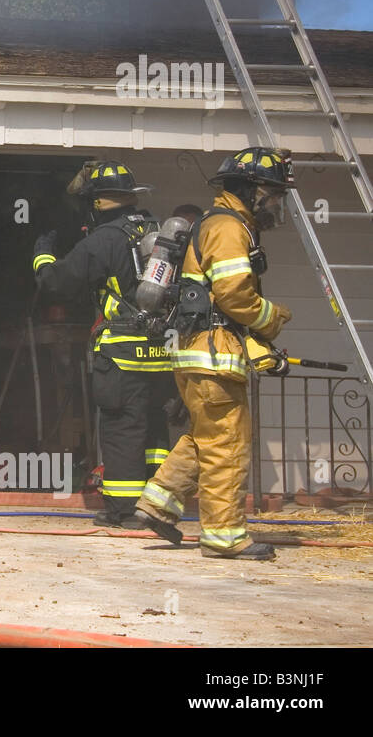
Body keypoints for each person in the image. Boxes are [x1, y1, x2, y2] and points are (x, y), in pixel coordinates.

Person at [135, 148, 294, 560]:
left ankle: (157, 504)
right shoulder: (228, 227)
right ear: (250, 190)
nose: (278, 203)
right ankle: (224, 536)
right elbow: (234, 295)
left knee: (206, 437)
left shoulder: (221, 222)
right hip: (214, 355)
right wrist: (273, 318)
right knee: (228, 443)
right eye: (273, 192)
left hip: (199, 354)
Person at [32, 161, 175, 528]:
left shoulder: (103, 240)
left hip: (122, 356)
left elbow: (56, 284)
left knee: (123, 430)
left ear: (96, 204)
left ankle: (125, 511)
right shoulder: (156, 231)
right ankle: (156, 505)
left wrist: (42, 256)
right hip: (161, 354)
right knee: (154, 429)